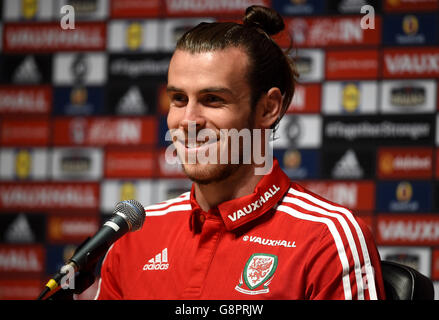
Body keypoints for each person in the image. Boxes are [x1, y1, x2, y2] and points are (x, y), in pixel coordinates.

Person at [95, 5, 386, 300]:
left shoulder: (329, 238)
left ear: (267, 108)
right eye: (179, 99)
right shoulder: (133, 238)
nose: (188, 121)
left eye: (212, 99)